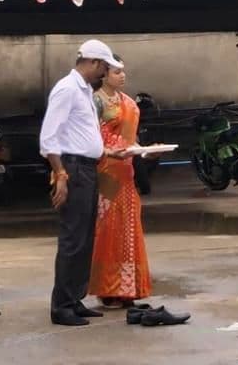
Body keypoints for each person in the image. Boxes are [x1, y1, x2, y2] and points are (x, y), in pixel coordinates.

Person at [40, 40, 130, 326]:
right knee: (72, 238)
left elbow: (80, 136)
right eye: (103, 68)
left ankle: (74, 299)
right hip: (73, 169)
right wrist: (61, 175)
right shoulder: (67, 89)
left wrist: (106, 151)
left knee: (85, 238)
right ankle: (61, 306)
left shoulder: (83, 92)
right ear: (92, 62)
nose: (103, 74)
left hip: (87, 167)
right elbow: (49, 137)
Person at [89, 55, 154, 308]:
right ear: (104, 74)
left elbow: (130, 142)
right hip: (105, 171)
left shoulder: (129, 104)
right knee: (108, 229)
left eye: (123, 71)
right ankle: (107, 288)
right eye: (116, 72)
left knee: (128, 229)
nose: (122, 76)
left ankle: (128, 289)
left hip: (126, 172)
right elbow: (90, 140)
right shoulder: (94, 102)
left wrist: (147, 151)